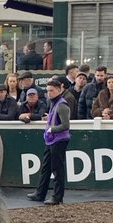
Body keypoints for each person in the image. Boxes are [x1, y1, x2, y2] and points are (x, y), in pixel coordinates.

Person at [26, 77, 71, 205]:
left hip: (58, 140)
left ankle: (57, 197)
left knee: (57, 169)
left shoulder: (61, 104)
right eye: (48, 91)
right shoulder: (54, 103)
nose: (49, 93)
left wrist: (51, 129)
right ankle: (40, 193)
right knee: (46, 167)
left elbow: (66, 125)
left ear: (58, 90)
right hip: (51, 140)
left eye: (51, 90)